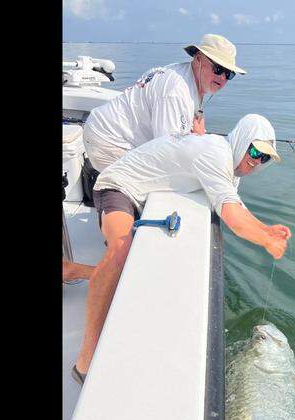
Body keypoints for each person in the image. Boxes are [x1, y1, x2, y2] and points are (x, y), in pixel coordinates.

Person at [71, 114, 291, 384]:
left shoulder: (228, 165)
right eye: (255, 151)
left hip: (142, 196)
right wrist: (267, 242)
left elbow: (235, 205)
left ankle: (76, 271)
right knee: (120, 250)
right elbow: (233, 218)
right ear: (242, 140)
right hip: (117, 187)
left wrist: (266, 229)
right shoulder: (216, 154)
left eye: (264, 157)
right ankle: (85, 361)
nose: (256, 160)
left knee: (125, 265)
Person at [64, 34, 245, 282]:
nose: (223, 78)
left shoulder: (191, 80)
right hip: (110, 141)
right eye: (219, 69)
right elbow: (169, 155)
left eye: (229, 74)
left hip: (116, 135)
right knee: (131, 189)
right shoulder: (176, 91)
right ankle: (95, 259)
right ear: (199, 59)